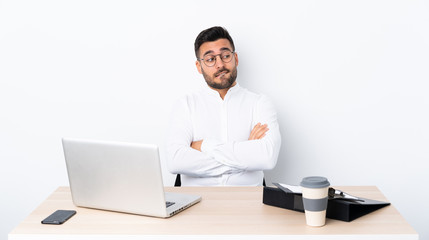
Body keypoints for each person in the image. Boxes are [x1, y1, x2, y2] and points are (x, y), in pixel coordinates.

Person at [166, 26, 281, 186]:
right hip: (196, 204)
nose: (220, 64)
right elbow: (175, 161)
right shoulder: (186, 105)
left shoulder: (259, 103)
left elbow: (267, 158)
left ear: (236, 59)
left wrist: (205, 145)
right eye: (210, 59)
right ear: (199, 67)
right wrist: (245, 155)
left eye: (225, 56)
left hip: (249, 204)